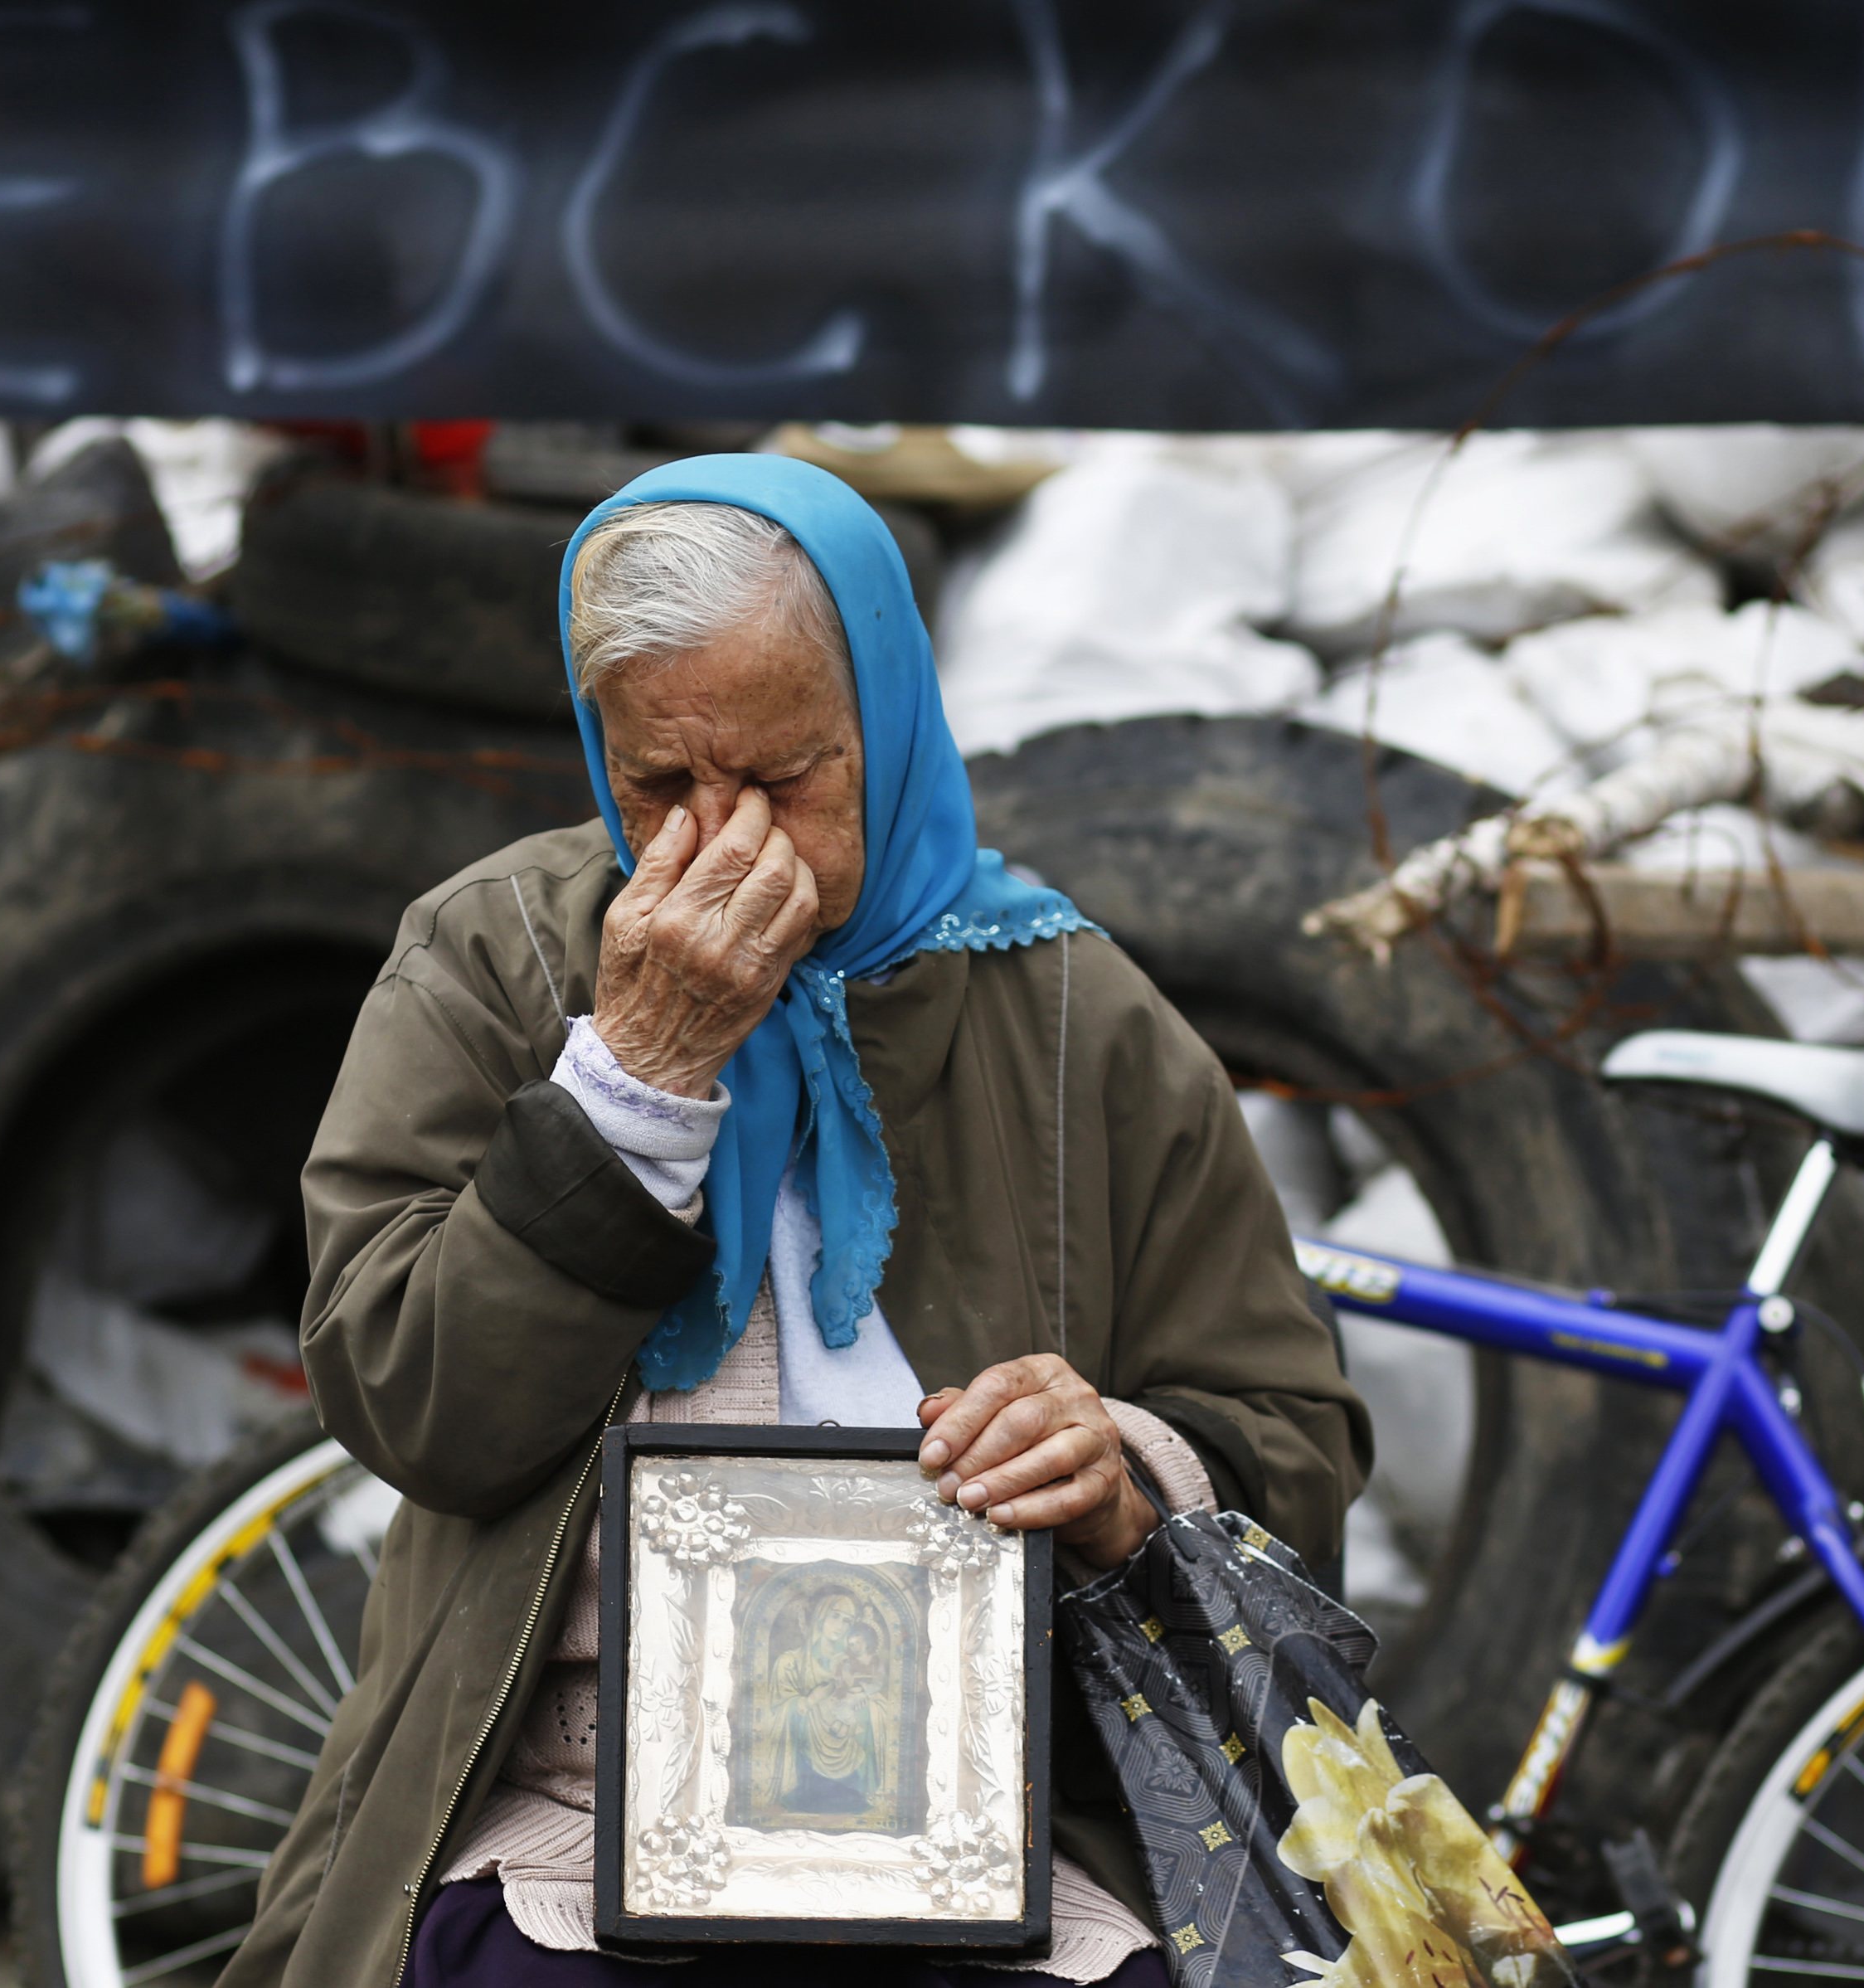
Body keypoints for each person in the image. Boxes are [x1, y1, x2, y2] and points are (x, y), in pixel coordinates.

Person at [218, 455, 1368, 1988]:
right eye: (661, 788)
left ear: (884, 725)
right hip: (571, 1798)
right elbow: (417, 1405)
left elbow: (1288, 1433)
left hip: (994, 1816)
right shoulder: (490, 961)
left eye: (783, 779)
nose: (723, 847)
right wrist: (633, 1082)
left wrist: (1122, 1469)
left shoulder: (1079, 1013)